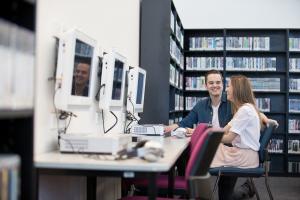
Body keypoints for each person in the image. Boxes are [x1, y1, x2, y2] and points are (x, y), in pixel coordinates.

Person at [164, 70, 277, 200]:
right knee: (188, 154)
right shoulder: (201, 105)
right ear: (206, 85)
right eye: (211, 83)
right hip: (224, 150)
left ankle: (244, 189)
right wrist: (167, 129)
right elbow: (184, 123)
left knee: (225, 196)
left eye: (218, 82)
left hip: (231, 151)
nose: (215, 85)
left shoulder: (233, 103)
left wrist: (266, 120)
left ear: (223, 85)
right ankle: (189, 192)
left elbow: (253, 112)